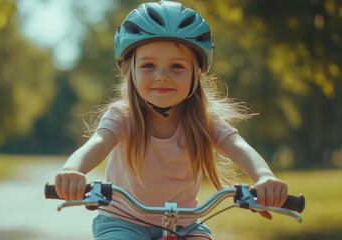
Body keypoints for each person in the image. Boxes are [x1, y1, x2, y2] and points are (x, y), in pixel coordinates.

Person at [54, 1, 288, 239]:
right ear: (130, 71)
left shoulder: (204, 121)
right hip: (122, 222)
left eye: (177, 65)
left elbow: (237, 147)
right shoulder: (123, 117)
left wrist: (264, 177)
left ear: (196, 74)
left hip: (185, 225)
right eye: (148, 65)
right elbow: (98, 143)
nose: (162, 76)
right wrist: (72, 170)